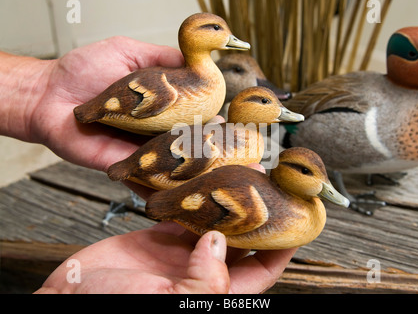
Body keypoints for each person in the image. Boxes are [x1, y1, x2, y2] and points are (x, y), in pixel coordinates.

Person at [0, 36, 297, 293]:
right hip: (157, 162)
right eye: (267, 104)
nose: (278, 112)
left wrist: (39, 89)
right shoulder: (220, 135)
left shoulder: (243, 139)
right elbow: (189, 160)